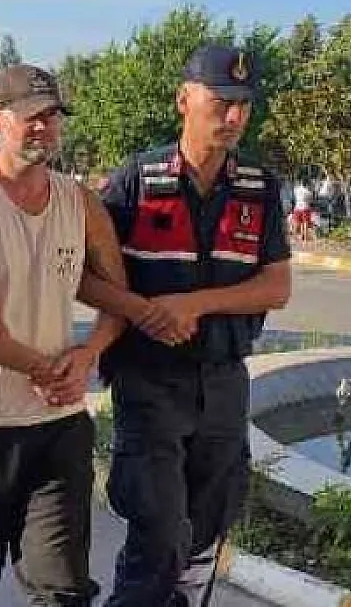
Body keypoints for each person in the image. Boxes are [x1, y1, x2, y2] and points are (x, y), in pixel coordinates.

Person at [0, 64, 139, 606]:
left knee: (62, 590)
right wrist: (39, 367)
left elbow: (117, 300)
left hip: (56, 427)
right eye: (29, 116)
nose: (43, 126)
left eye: (51, 115)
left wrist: (87, 355)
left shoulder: (80, 201)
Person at [94, 44, 293, 606]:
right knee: (157, 527)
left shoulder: (259, 187)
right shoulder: (137, 180)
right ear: (184, 99)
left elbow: (276, 287)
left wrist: (195, 304)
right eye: (221, 101)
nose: (234, 115)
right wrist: (145, 312)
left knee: (208, 527)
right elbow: (84, 277)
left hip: (223, 380)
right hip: (149, 378)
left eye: (243, 104)